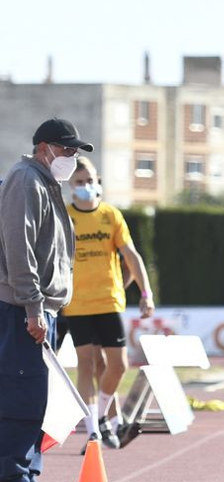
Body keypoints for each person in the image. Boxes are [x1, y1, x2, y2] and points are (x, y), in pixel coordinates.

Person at [0, 118, 92, 482]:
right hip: (22, 307)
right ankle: (11, 481)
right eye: (67, 149)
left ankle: (25, 476)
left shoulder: (43, 182)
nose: (71, 158)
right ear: (45, 148)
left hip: (40, 307)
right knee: (23, 393)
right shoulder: (25, 179)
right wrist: (34, 307)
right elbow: (18, 247)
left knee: (35, 395)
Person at [64, 157, 155, 453]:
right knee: (87, 365)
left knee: (118, 365)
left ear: (98, 182)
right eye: (79, 182)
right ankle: (92, 432)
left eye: (90, 181)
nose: (85, 187)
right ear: (70, 186)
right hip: (77, 303)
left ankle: (103, 417)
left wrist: (145, 293)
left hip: (109, 301)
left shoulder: (111, 215)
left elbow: (131, 256)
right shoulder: (65, 217)